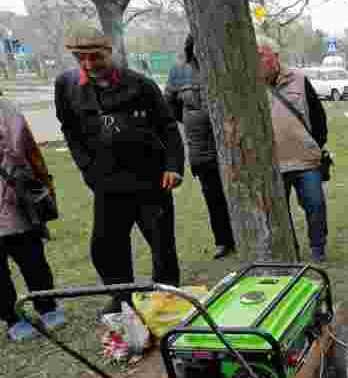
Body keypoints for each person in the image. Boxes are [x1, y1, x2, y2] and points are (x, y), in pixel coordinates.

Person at [55, 25, 184, 316]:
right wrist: (88, 169)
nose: (89, 64)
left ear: (108, 52)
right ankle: (121, 296)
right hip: (108, 184)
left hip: (151, 181)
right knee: (105, 246)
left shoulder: (141, 84)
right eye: (81, 58)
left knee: (162, 243)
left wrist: (173, 167)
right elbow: (70, 130)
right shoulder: (66, 86)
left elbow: (168, 127)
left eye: (95, 57)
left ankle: (167, 297)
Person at [257, 35, 329, 262]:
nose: (258, 61)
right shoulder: (250, 88)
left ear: (275, 56)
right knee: (280, 214)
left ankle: (318, 247)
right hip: (273, 164)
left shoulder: (299, 80)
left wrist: (314, 145)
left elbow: (318, 118)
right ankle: (292, 251)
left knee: (315, 204)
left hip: (305, 159)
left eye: (261, 55)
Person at [165, 35, 236, 259]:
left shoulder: (227, 66)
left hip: (231, 143)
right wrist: (192, 120)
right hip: (201, 147)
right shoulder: (179, 71)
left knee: (238, 192)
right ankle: (224, 241)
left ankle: (243, 234)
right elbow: (170, 106)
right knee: (213, 196)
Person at [1, 96, 65, 340]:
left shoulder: (6, 108)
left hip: (14, 198)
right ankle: (12, 318)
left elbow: (20, 150)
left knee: (31, 258)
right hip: (13, 195)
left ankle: (47, 307)